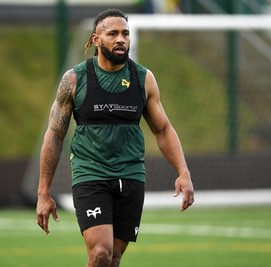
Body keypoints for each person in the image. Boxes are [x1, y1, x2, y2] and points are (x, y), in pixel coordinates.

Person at [36, 8, 194, 267]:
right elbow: (54, 135)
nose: (121, 39)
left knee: (113, 258)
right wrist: (44, 192)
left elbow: (163, 130)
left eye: (125, 34)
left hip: (131, 175)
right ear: (96, 40)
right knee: (100, 252)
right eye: (112, 33)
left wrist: (183, 171)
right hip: (91, 173)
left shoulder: (144, 79)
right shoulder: (75, 79)